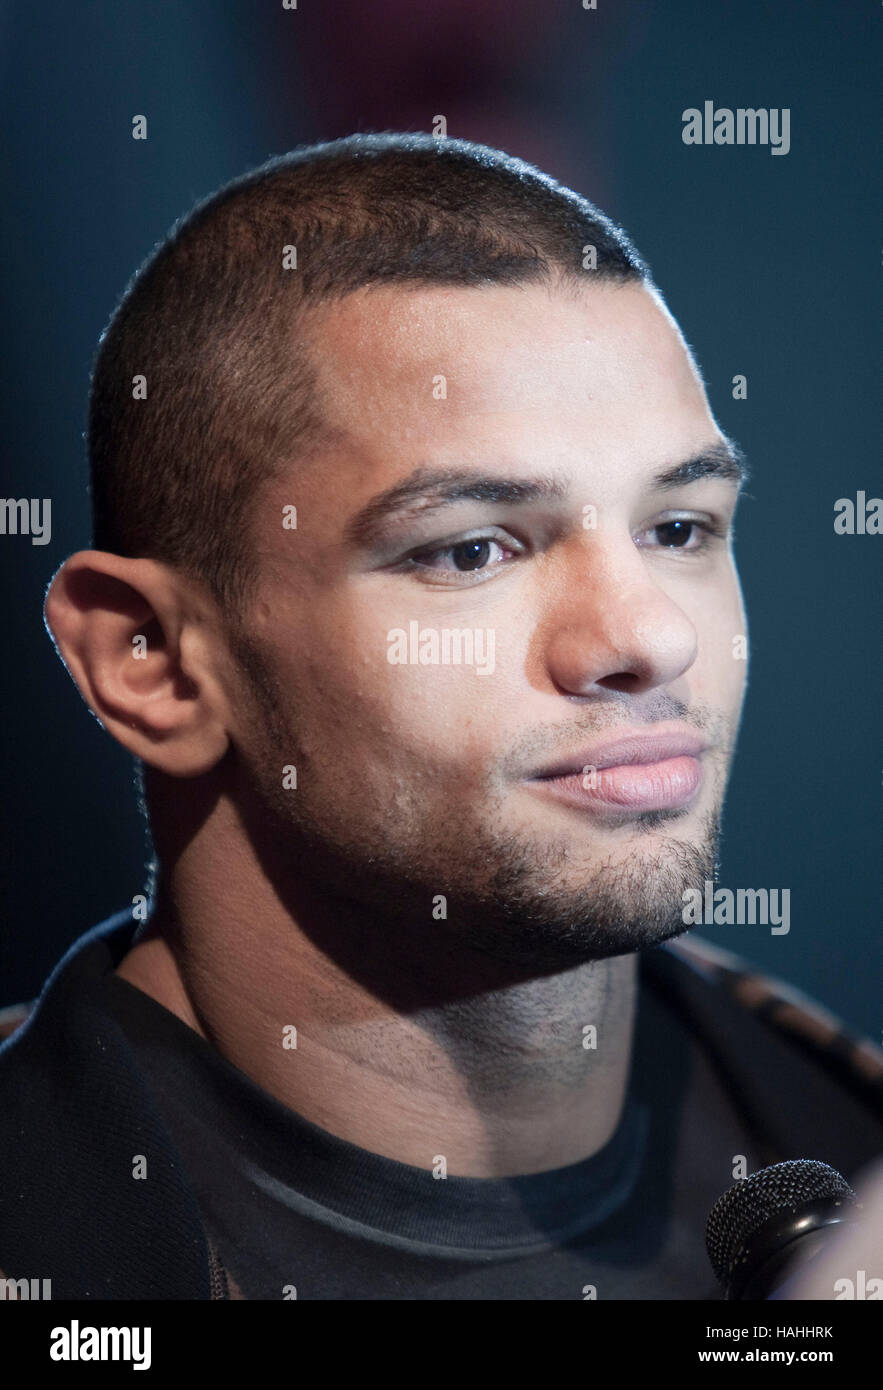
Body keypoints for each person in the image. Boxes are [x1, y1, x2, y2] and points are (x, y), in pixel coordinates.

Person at [1, 133, 880, 1300]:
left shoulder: (842, 1142)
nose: (648, 638)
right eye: (470, 548)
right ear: (152, 661)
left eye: (678, 528)